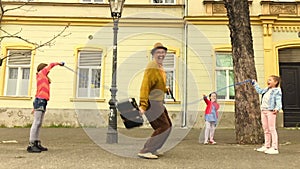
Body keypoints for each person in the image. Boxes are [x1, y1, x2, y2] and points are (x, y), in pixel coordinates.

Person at [138, 42, 172, 159]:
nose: (161, 54)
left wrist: (165, 89)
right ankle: (146, 150)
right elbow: (145, 85)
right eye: (158, 52)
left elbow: (156, 84)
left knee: (167, 126)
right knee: (164, 127)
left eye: (163, 52)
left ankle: (154, 149)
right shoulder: (152, 66)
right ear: (153, 54)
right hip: (152, 102)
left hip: (158, 102)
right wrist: (143, 105)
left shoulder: (160, 67)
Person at [27, 62, 64, 153]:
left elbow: (38, 91)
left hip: (42, 101)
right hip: (40, 100)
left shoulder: (44, 78)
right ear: (42, 69)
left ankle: (36, 143)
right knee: (36, 122)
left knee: (39, 123)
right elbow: (51, 65)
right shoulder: (41, 74)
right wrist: (59, 63)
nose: (48, 71)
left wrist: (34, 107)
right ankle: (31, 144)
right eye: (46, 69)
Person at [252, 75, 282, 155]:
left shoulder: (277, 91)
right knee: (266, 129)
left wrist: (277, 108)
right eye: (268, 80)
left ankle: (275, 147)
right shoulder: (267, 89)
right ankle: (267, 145)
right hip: (263, 110)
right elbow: (260, 91)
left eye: (270, 80)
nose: (268, 81)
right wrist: (255, 84)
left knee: (272, 128)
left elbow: (278, 100)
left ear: (275, 82)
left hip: (271, 111)